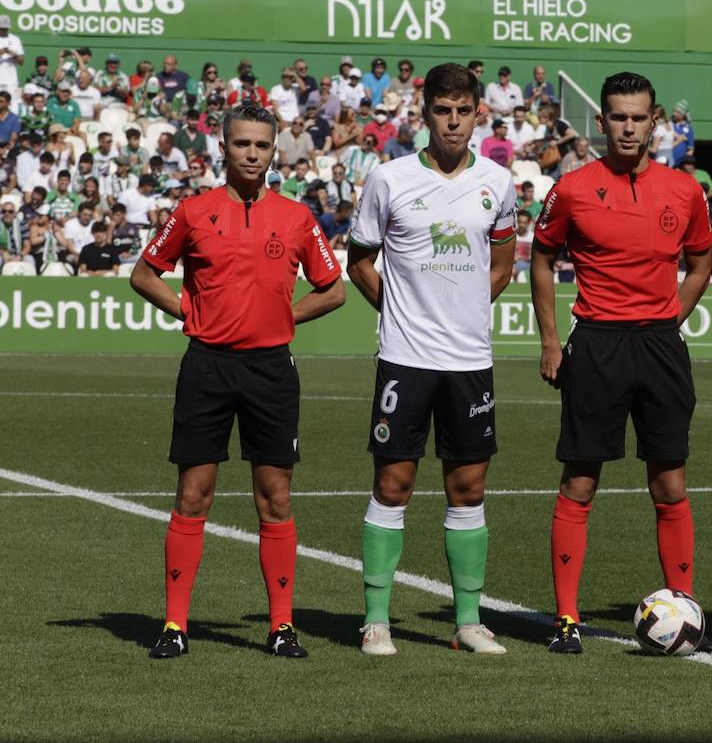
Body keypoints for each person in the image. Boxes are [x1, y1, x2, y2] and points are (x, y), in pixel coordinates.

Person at [130, 103, 346, 660]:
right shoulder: (193, 211)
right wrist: (188, 312)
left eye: (262, 145)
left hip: (271, 369)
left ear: (275, 151)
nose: (253, 154)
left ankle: (280, 627)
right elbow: (143, 274)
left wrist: (282, 317)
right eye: (243, 144)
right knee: (193, 493)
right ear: (222, 148)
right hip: (207, 364)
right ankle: (175, 625)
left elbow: (333, 288)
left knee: (274, 498)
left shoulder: (297, 217)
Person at [530, 72, 712, 655]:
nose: (628, 127)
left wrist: (668, 320)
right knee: (580, 482)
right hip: (597, 345)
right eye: (617, 117)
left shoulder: (684, 190)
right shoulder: (573, 188)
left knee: (670, 483)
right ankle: (565, 620)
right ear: (602, 121)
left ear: (654, 120)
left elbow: (702, 261)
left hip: (659, 347)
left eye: (638, 117)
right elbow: (541, 259)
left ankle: (683, 611)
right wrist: (552, 341)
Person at [346, 64, 516, 657]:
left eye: (462, 110)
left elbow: (503, 264)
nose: (452, 120)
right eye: (442, 110)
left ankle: (468, 620)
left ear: (477, 114)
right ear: (425, 114)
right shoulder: (388, 179)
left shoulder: (499, 182)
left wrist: (464, 306)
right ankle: (376, 620)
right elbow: (360, 259)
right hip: (405, 358)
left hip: (470, 360)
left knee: (468, 488)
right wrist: (398, 311)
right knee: (393, 484)